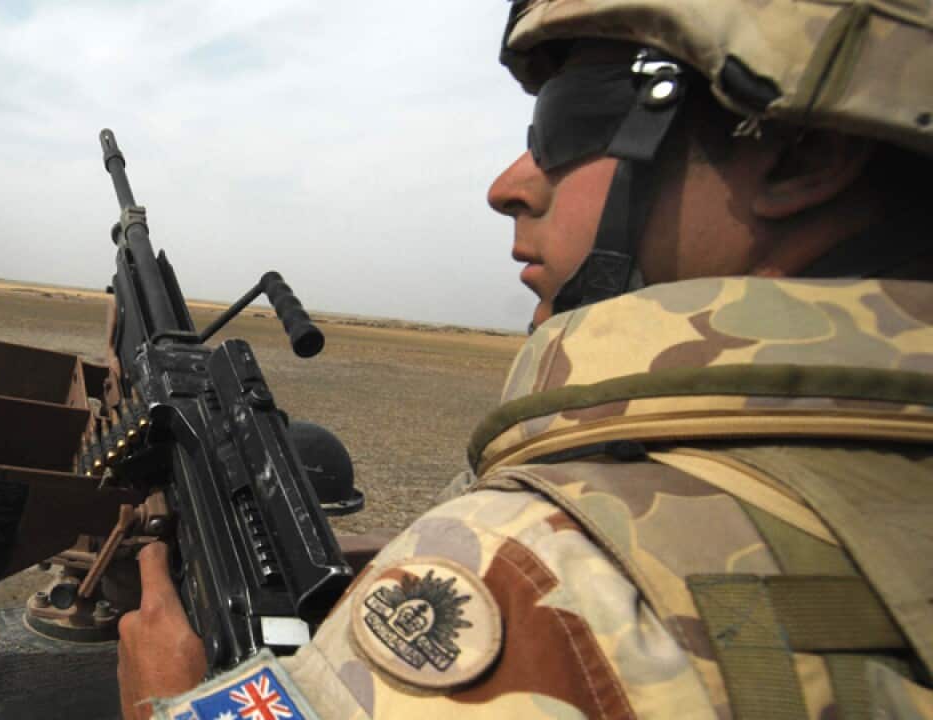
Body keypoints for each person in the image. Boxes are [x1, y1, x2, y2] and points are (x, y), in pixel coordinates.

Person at [118, 0, 933, 717]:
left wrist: (164, 699)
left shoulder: (540, 572)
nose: (509, 184)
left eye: (571, 122)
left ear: (799, 156)